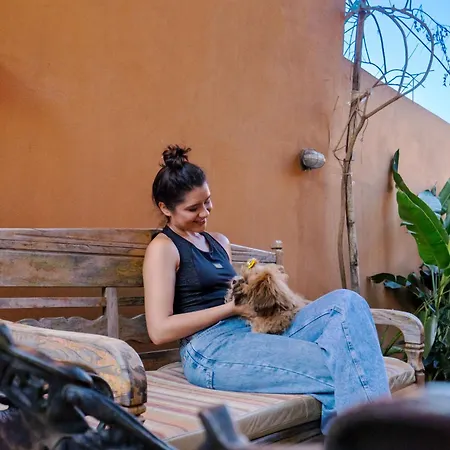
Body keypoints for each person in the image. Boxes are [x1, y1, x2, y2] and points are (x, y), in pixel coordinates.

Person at [143, 144, 391, 434]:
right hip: (210, 349)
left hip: (254, 329)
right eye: (192, 208)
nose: (204, 213)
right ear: (165, 208)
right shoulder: (164, 248)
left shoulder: (218, 241)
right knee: (350, 365)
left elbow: (238, 293)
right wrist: (231, 309)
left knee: (346, 302)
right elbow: (159, 331)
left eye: (207, 202)